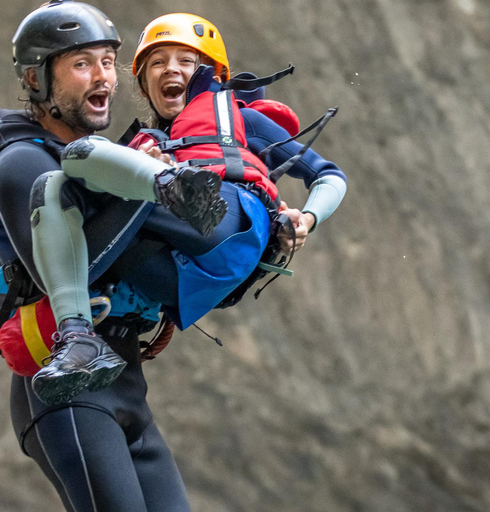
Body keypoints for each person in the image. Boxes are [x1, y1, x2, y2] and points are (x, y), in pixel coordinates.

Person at [0, 4, 346, 510]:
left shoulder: (109, 157)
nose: (102, 76)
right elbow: (68, 270)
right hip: (67, 389)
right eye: (81, 64)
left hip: (124, 378)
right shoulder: (24, 160)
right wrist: (149, 190)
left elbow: (125, 258)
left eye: (106, 62)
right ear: (36, 80)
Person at [27, 12, 347, 405]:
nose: (170, 70)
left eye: (185, 61)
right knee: (54, 185)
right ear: (144, 84)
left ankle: (173, 185)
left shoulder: (240, 119)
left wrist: (308, 219)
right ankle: (77, 337)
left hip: (228, 218)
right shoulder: (141, 146)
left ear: (209, 75)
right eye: (158, 62)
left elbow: (329, 175)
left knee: (80, 154)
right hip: (176, 280)